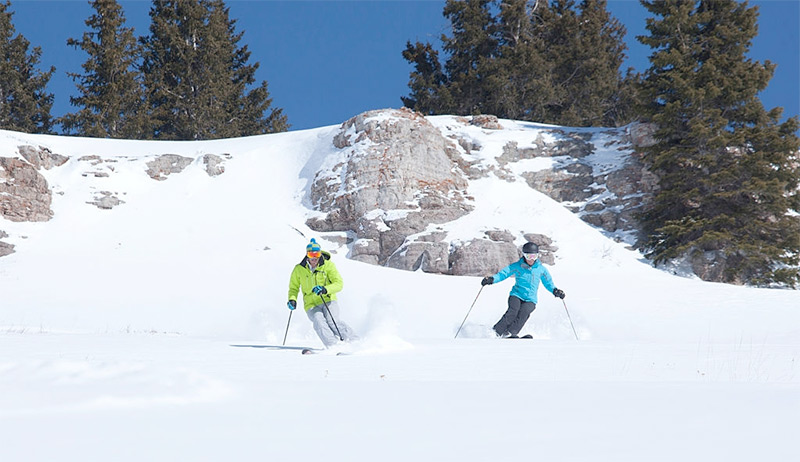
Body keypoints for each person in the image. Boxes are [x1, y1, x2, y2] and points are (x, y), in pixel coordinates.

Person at [481, 242, 566, 338]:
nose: (531, 259)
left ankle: (510, 333)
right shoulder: (517, 266)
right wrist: (492, 279)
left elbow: (548, 283)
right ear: (524, 255)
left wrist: (555, 291)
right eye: (529, 256)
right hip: (516, 295)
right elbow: (504, 274)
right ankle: (496, 332)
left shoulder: (541, 269)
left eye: (534, 256)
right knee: (513, 311)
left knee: (524, 312)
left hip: (530, 299)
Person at [287, 238, 357, 347]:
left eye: (316, 254)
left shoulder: (328, 265)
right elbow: (293, 287)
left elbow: (339, 284)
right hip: (311, 304)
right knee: (318, 321)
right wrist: (292, 299)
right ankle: (333, 345)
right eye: (311, 254)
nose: (314, 258)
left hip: (328, 300)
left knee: (332, 321)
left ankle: (354, 341)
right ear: (307, 255)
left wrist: (325, 289)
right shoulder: (299, 269)